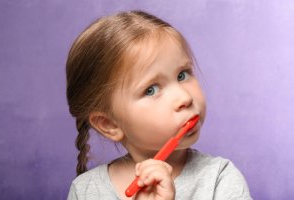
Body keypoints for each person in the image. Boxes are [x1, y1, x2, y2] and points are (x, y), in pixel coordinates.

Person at [66, 10, 252, 200]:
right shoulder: (85, 191)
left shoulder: (220, 179)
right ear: (109, 124)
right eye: (151, 90)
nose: (184, 97)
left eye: (182, 75)